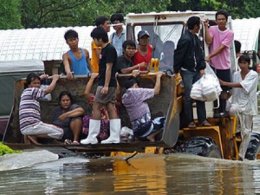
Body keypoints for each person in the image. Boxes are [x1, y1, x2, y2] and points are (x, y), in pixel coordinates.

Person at [80, 27, 120, 144]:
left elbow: (109, 68)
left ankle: (92, 136)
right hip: (106, 82)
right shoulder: (104, 49)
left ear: (99, 38)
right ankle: (114, 136)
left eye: (94, 39)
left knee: (96, 106)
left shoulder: (109, 49)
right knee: (110, 107)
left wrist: (106, 85)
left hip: (106, 83)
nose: (94, 41)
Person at [219, 54, 258, 159]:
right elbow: (233, 90)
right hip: (237, 103)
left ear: (248, 64)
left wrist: (225, 83)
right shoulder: (236, 74)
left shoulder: (253, 75)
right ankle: (237, 130)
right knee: (231, 109)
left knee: (247, 133)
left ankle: (241, 155)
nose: (242, 65)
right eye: (240, 63)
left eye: (244, 63)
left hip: (248, 106)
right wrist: (226, 95)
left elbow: (242, 85)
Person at [174, 16, 210, 128]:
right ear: (195, 26)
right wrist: (177, 70)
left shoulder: (195, 38)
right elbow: (179, 56)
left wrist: (202, 67)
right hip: (187, 72)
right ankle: (190, 121)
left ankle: (202, 119)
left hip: (195, 71)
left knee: (200, 94)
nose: (199, 28)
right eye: (198, 25)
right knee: (188, 96)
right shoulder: (185, 39)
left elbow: (199, 55)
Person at [204, 10, 234, 116]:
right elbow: (208, 41)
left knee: (224, 89)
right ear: (216, 20)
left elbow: (221, 48)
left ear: (226, 20)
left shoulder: (230, 33)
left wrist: (209, 56)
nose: (221, 21)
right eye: (219, 19)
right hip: (212, 65)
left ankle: (222, 110)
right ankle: (213, 110)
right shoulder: (212, 29)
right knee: (212, 87)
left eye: (223, 19)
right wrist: (206, 27)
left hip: (224, 65)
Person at [19, 73, 63, 144]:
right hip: (32, 125)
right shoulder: (32, 90)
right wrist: (55, 79)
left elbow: (33, 82)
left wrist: (41, 77)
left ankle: (31, 136)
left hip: (25, 127)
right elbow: (48, 90)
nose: (37, 85)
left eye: (38, 83)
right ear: (29, 85)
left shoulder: (25, 92)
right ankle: (30, 135)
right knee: (60, 132)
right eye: (34, 83)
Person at [122, 72, 165, 142]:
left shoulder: (124, 97)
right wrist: (158, 76)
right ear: (135, 85)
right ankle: (151, 136)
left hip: (136, 132)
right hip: (146, 129)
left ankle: (142, 138)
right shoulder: (136, 92)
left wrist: (135, 76)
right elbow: (156, 91)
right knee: (165, 120)